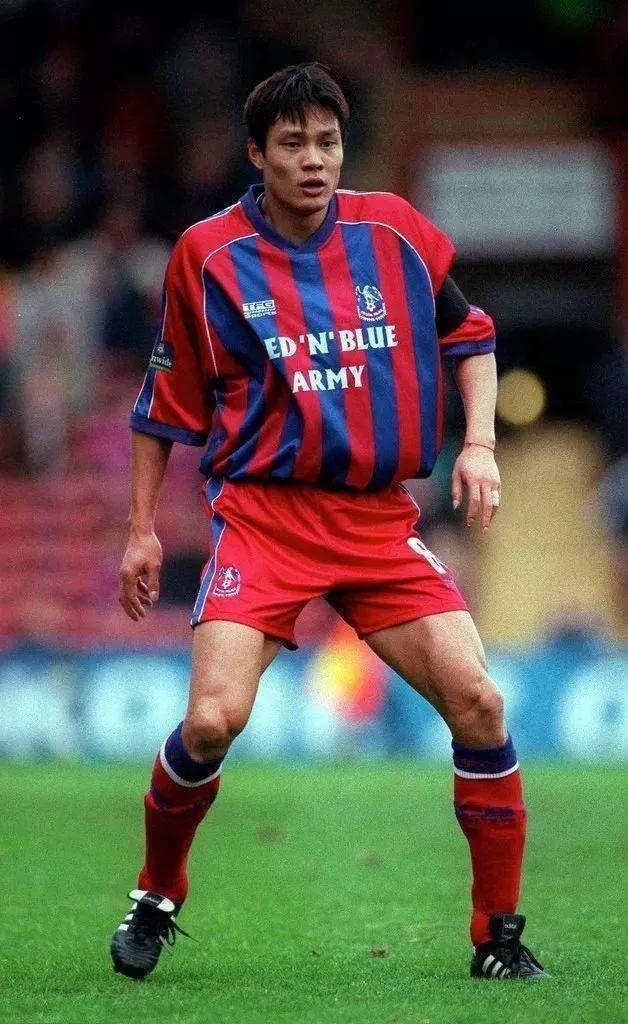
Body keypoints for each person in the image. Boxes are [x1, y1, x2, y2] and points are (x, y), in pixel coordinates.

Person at [110, 63, 546, 982]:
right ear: (257, 154)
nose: (314, 161)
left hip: (377, 521)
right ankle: (157, 891)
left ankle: (498, 938)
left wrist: (479, 445)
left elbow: (472, 337)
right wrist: (142, 527)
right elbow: (164, 404)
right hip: (265, 520)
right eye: (293, 144)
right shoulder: (209, 255)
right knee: (211, 722)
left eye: (328, 142)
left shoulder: (393, 232)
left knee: (479, 702)